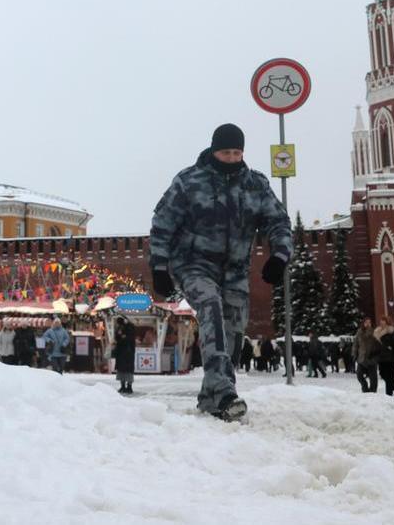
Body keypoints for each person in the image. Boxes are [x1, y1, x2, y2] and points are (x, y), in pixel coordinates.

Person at [149, 123, 292, 422]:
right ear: (215, 150)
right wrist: (159, 265)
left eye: (237, 152)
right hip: (193, 264)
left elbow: (277, 222)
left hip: (235, 270)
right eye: (226, 152)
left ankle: (212, 399)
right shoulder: (189, 182)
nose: (231, 158)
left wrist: (279, 256)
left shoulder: (256, 185)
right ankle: (225, 392)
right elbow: (163, 222)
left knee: (232, 332)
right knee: (211, 308)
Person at [353, 317, 381, 393]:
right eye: (366, 322)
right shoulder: (359, 332)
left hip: (371, 358)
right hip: (361, 358)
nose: (368, 324)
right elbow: (355, 344)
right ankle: (365, 387)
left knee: (373, 378)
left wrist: (376, 356)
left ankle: (373, 391)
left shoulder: (375, 332)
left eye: (369, 322)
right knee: (359, 375)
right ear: (363, 323)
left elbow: (379, 345)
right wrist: (354, 355)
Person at [375, 317, 394, 396]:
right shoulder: (377, 332)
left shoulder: (392, 332)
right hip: (381, 358)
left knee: (390, 377)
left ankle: (389, 395)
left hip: (391, 358)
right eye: (381, 321)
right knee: (383, 374)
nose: (381, 322)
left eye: (383, 321)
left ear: (387, 322)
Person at [113, 317, 137, 394]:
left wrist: (121, 337)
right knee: (125, 370)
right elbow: (118, 338)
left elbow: (124, 339)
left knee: (125, 370)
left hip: (125, 353)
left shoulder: (128, 328)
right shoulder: (123, 328)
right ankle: (125, 386)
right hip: (124, 353)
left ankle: (126, 386)